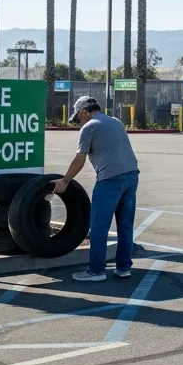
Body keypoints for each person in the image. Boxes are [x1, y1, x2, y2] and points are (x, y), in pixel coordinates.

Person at [55, 96, 139, 282]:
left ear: (84, 111)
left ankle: (96, 271)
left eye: (77, 118)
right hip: (132, 175)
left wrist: (65, 181)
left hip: (110, 179)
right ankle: (124, 268)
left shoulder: (90, 126)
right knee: (125, 225)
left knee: (99, 226)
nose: (78, 123)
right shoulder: (115, 121)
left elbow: (80, 158)